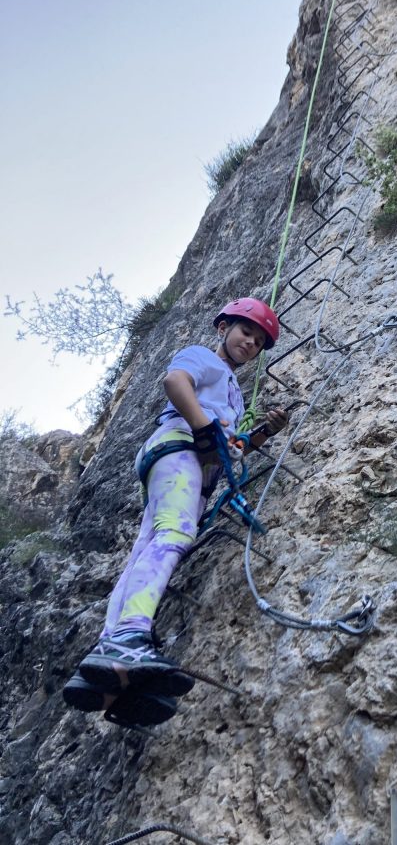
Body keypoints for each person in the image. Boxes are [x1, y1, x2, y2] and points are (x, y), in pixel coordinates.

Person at [63, 297, 289, 726]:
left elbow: (232, 450)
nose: (250, 342)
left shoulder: (234, 395)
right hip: (179, 450)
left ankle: (108, 674)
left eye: (258, 341)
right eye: (245, 331)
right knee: (174, 534)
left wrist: (260, 435)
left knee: (146, 550)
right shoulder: (205, 359)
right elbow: (175, 381)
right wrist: (203, 427)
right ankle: (130, 636)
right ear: (224, 326)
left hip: (189, 461)